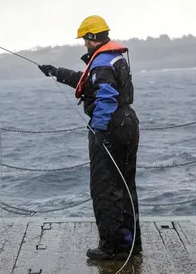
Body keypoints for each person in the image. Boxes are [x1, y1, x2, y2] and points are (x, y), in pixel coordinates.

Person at [38, 15, 141, 260]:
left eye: (85, 39)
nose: (84, 43)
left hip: (112, 127)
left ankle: (111, 246)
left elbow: (105, 96)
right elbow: (88, 83)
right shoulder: (112, 58)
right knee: (125, 186)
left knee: (104, 188)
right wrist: (56, 72)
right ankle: (130, 242)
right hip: (127, 123)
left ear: (92, 37)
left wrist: (100, 131)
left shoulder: (102, 63)